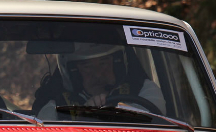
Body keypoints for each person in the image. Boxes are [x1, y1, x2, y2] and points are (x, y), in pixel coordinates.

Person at [33, 43, 167, 120]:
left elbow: (152, 123)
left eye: (104, 63)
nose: (97, 73)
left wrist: (100, 114)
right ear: (73, 72)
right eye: (87, 66)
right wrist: (82, 115)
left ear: (117, 64)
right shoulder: (56, 104)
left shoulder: (143, 89)